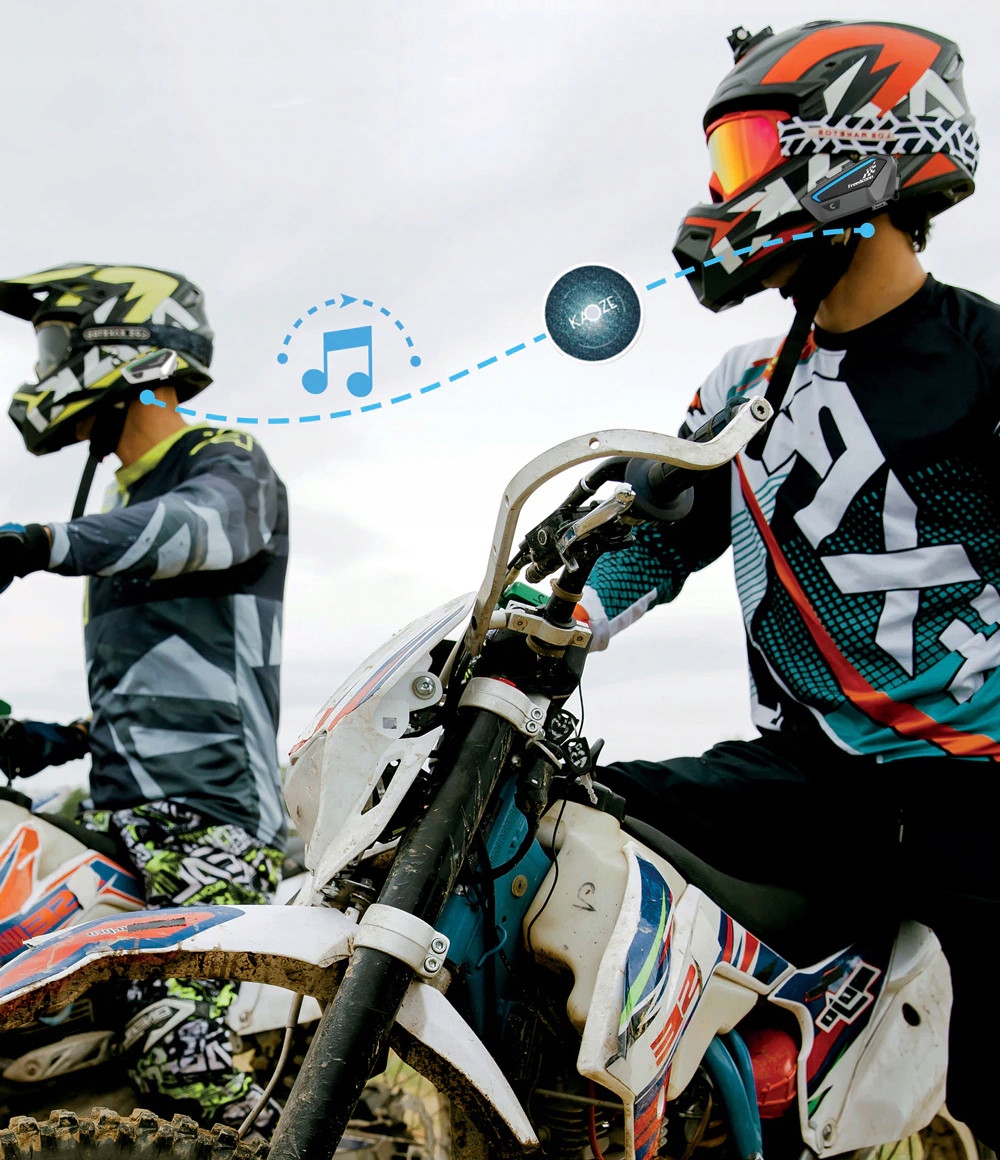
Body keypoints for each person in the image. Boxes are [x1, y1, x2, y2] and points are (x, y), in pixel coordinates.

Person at [578, 21, 1000, 1146]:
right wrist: (565, 619)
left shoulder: (985, 359)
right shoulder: (742, 383)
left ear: (867, 147)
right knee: (563, 822)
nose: (729, 191)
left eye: (749, 152)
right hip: (804, 781)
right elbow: (661, 537)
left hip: (974, 791)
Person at [0, 264, 289, 1134]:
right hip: (122, 809)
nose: (44, 368)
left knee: (175, 1049)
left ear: (124, 348)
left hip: (211, 819)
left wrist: (38, 542)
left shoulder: (225, 464)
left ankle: (272, 1145)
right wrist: (51, 739)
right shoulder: (125, 499)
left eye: (57, 347)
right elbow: (157, 688)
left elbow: (202, 528)